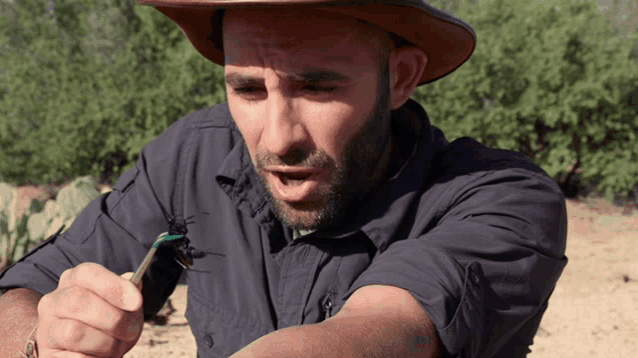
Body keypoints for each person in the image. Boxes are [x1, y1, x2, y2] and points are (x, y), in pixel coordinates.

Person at [0, 0, 568, 357]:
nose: (276, 138)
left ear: (400, 78)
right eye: (247, 90)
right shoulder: (192, 157)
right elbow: (19, 294)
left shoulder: (502, 198)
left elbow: (393, 330)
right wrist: (43, 335)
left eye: (318, 88)